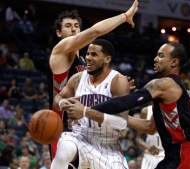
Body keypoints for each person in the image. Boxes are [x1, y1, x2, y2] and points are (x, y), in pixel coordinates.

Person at [68, 42, 190, 169]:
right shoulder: (176, 86)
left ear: (174, 62)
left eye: (161, 56)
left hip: (185, 154)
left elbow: (128, 101)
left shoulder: (165, 83)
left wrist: (86, 110)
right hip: (180, 154)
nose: (155, 59)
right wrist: (118, 117)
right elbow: (150, 127)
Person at [48, 0, 138, 164]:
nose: (74, 28)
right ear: (59, 33)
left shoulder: (83, 63)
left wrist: (114, 89)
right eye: (68, 26)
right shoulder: (60, 51)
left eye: (76, 25)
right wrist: (125, 16)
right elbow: (95, 31)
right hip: (61, 126)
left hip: (83, 128)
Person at [51, 39, 130, 169]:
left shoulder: (118, 81)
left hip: (108, 146)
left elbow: (122, 123)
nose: (88, 58)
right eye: (87, 54)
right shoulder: (77, 78)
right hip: (79, 137)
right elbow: (57, 98)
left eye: (94, 54)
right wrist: (62, 102)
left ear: (107, 59)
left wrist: (85, 112)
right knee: (64, 149)